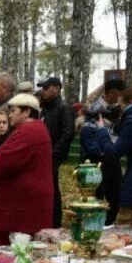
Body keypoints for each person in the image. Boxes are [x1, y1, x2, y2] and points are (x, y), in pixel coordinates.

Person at [0, 94, 53, 245]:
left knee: (12, 251)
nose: (10, 115)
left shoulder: (28, 131)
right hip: (29, 199)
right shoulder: (37, 129)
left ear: (27, 112)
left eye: (13, 110)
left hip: (21, 206)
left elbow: (7, 161)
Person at [94, 87, 132, 228]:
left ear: (130, 102)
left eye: (121, 106)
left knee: (126, 238)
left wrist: (102, 130)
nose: (120, 110)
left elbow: (113, 152)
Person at [38, 76, 75, 228]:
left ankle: (54, 222)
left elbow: (68, 133)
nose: (43, 92)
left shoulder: (63, 108)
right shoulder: (47, 108)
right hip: (45, 154)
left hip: (53, 155)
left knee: (52, 189)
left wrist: (54, 152)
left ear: (56, 89)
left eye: (45, 88)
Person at [79, 101, 122, 224]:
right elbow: (92, 148)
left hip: (112, 163)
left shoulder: (113, 127)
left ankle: (110, 221)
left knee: (114, 196)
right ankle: (93, 223)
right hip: (96, 166)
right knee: (96, 196)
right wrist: (107, 150)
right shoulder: (88, 128)